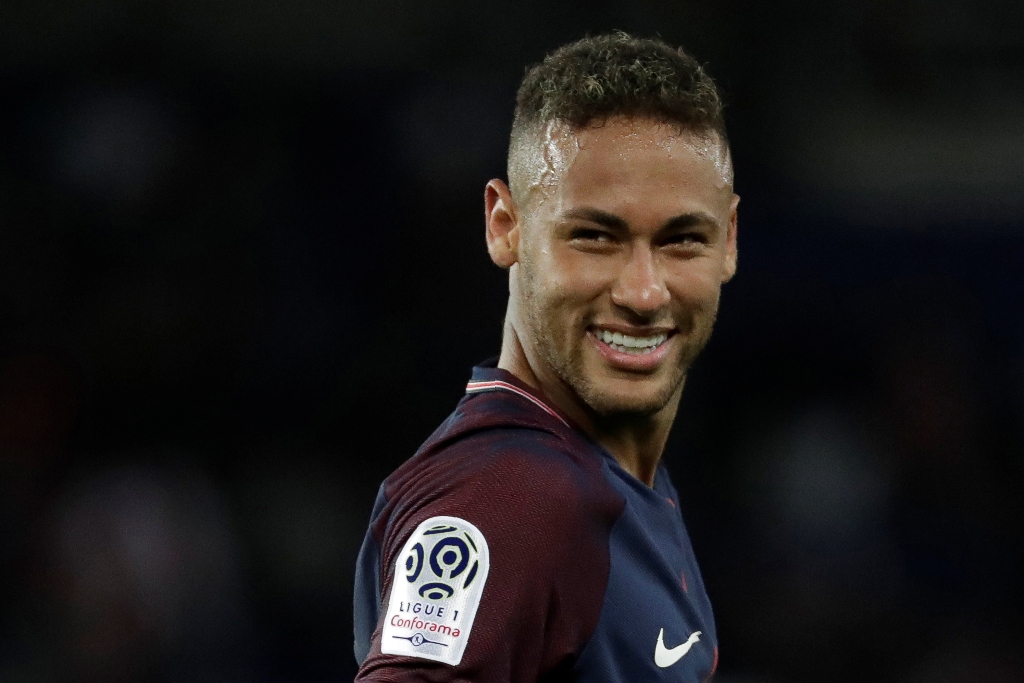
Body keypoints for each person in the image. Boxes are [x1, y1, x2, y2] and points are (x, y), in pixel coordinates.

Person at [354, 31, 738, 682]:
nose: (644, 292)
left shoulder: (604, 474)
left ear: (729, 241)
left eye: (682, 239)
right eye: (594, 236)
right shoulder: (514, 496)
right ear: (506, 225)